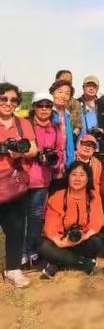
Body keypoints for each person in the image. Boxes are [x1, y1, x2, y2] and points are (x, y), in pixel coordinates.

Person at [39, 161, 104, 279]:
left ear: (87, 179)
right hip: (62, 240)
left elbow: (97, 221)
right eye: (74, 174)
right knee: (43, 246)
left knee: (98, 242)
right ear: (68, 176)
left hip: (84, 239)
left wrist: (83, 237)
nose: (77, 179)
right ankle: (84, 264)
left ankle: (58, 263)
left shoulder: (93, 196)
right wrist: (61, 241)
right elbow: (50, 225)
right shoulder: (57, 196)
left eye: (82, 175)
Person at [0, 83, 38, 288]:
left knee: (15, 229)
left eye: (13, 100)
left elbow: (33, 149)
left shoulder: (23, 124)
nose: (8, 103)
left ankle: (13, 269)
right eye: (3, 98)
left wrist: (19, 152)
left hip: (15, 184)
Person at [23, 93, 63, 268]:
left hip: (42, 180)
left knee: (36, 217)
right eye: (40, 105)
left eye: (48, 105)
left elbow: (59, 153)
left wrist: (52, 161)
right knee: (20, 219)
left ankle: (32, 251)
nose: (44, 109)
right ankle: (21, 253)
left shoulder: (55, 128)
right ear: (34, 107)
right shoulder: (24, 126)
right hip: (22, 179)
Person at [49, 80, 76, 178]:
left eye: (67, 93)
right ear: (52, 93)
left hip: (64, 161)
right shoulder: (47, 112)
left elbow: (68, 141)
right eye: (60, 92)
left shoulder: (67, 114)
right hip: (49, 162)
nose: (63, 96)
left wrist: (70, 160)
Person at [75, 134, 104, 204]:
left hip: (93, 198)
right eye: (85, 144)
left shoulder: (97, 163)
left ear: (94, 150)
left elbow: (103, 184)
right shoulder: (70, 158)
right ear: (79, 144)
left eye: (91, 146)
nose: (88, 148)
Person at [55, 70, 82, 138]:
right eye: (64, 79)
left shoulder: (76, 103)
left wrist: (72, 137)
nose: (67, 82)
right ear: (56, 80)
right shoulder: (47, 100)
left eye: (70, 81)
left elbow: (78, 125)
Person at [78, 75, 102, 141]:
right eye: (88, 85)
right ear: (83, 87)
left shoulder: (103, 104)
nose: (91, 88)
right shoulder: (75, 104)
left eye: (94, 86)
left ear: (97, 89)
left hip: (99, 145)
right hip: (80, 145)